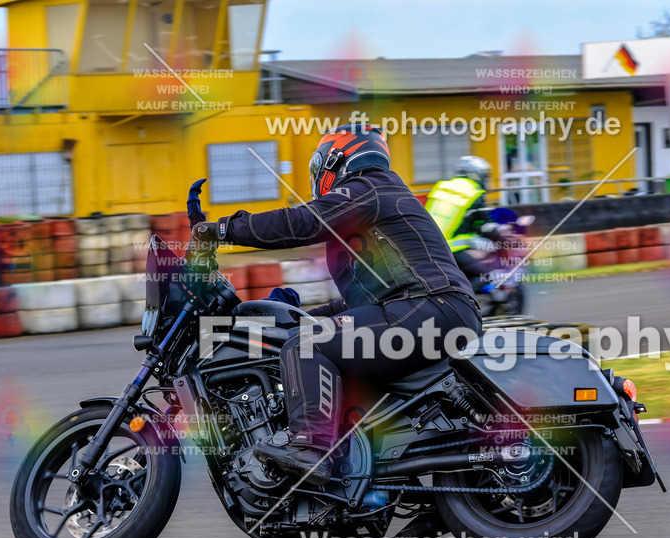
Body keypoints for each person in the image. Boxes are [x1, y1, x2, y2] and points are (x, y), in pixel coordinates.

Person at [191, 124, 482, 484]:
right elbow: (356, 304)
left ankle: (311, 449)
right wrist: (291, 319)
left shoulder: (370, 187)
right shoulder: (377, 203)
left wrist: (223, 230)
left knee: (308, 346)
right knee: (310, 339)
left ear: (337, 160)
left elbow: (301, 222)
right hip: (424, 312)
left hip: (426, 310)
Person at [424, 156, 497, 291]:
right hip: (450, 250)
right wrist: (501, 236)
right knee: (484, 275)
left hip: (426, 248)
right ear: (477, 174)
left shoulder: (441, 188)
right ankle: (467, 304)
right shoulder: (474, 193)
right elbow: (487, 226)